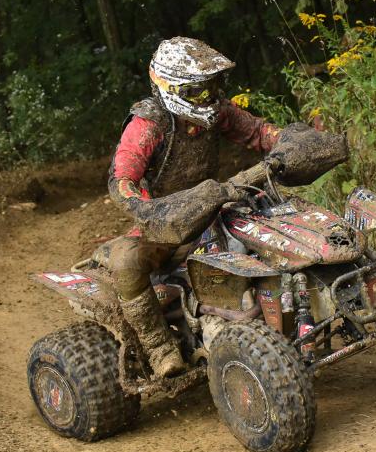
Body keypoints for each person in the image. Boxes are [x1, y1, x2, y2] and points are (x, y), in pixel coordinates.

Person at [105, 37, 282, 378]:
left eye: (214, 87)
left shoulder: (217, 112)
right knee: (126, 262)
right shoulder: (149, 125)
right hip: (167, 223)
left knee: (272, 212)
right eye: (200, 91)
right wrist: (149, 210)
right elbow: (122, 178)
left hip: (215, 206)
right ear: (171, 89)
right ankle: (159, 348)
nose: (210, 98)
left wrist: (289, 142)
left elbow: (259, 132)